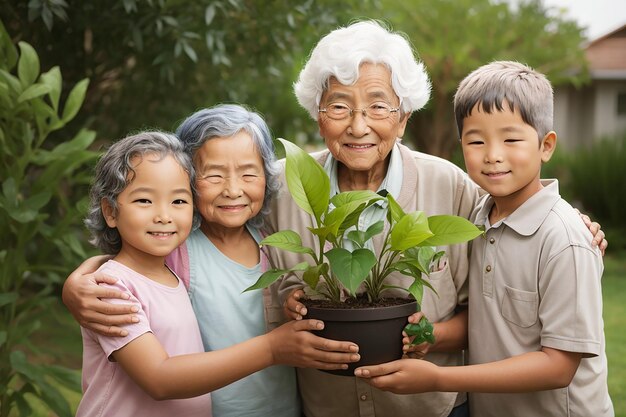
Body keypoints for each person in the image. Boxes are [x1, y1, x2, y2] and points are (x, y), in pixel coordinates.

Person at [64, 21, 606, 417]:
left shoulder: (452, 187)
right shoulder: (277, 184)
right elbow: (179, 225)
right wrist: (83, 278)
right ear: (317, 114)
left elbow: (512, 225)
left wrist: (571, 222)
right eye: (339, 105)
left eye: (377, 105)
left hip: (431, 410)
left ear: (404, 116)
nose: (359, 125)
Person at [353, 61, 614, 417]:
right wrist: (433, 336)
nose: (492, 155)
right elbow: (490, 324)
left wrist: (440, 379)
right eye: (476, 141)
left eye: (511, 139)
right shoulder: (477, 220)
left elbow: (558, 366)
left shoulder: (563, 239)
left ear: (546, 145)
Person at [70, 108, 361, 417]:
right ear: (189, 179)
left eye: (249, 173)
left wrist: (294, 300)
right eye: (214, 174)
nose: (233, 189)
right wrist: (77, 283)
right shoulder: (176, 248)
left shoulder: (271, 238)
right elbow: (130, 263)